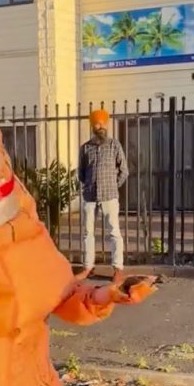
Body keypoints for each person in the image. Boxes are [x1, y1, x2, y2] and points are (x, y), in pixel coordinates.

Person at [76, 108, 128, 285]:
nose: (100, 126)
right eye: (97, 123)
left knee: (114, 232)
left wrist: (113, 186)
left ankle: (118, 268)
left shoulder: (114, 145)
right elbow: (81, 173)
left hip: (109, 196)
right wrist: (89, 184)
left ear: (107, 124)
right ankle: (88, 267)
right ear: (92, 125)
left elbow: (124, 171)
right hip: (90, 196)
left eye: (103, 123)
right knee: (88, 233)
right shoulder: (85, 148)